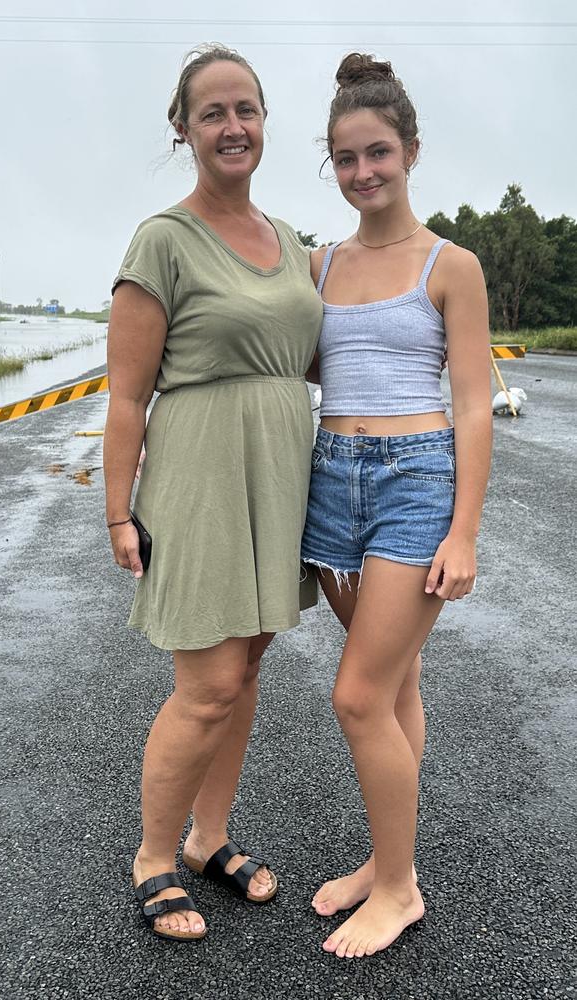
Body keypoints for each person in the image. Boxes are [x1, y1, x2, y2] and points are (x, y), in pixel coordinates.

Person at [103, 45, 322, 941]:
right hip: (199, 475)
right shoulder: (163, 238)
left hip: (279, 474)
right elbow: (126, 393)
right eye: (213, 113)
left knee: (249, 667)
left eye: (248, 110)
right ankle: (154, 857)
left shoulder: (296, 244)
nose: (233, 127)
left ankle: (208, 838)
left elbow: (318, 357)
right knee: (207, 683)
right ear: (184, 129)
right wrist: (119, 509)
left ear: (266, 122)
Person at [300, 53, 493, 959]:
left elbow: (471, 404)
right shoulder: (319, 263)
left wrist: (465, 531)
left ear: (411, 151)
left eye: (378, 153)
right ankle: (384, 866)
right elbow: (286, 364)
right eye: (346, 159)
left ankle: (402, 889)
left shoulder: (453, 265)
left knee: (357, 696)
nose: (363, 172)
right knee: (395, 686)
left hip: (418, 482)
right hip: (332, 478)